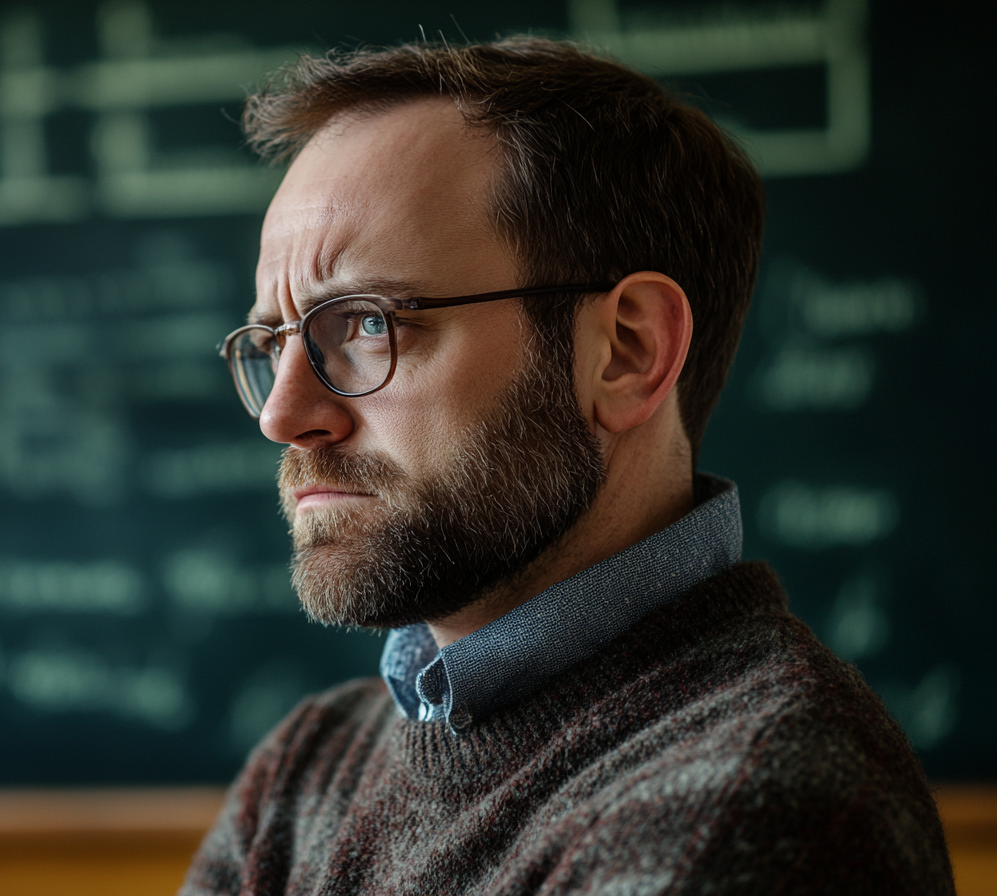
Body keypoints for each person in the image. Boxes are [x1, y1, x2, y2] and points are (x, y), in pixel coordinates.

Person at [182, 38, 954, 895]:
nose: (285, 416)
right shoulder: (305, 771)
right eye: (271, 343)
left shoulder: (754, 805)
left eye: (365, 323)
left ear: (626, 351)